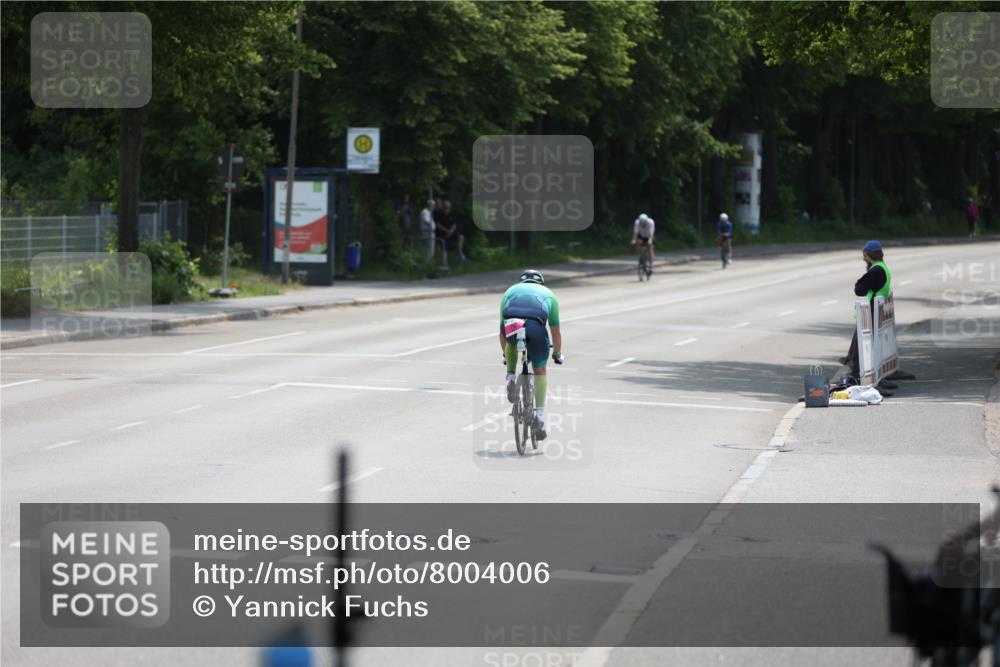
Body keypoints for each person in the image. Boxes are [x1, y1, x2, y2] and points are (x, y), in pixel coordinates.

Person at [499, 270, 563, 440]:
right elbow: (555, 332)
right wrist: (557, 354)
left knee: (511, 342)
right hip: (535, 328)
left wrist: (505, 355)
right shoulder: (549, 294)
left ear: (521, 282)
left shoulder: (510, 291)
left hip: (511, 325)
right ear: (540, 283)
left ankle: (511, 378)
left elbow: (502, 332)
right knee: (540, 370)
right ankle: (540, 418)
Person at [842, 240, 892, 382]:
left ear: (867, 255)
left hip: (871, 312)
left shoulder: (876, 270)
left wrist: (862, 283)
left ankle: (857, 373)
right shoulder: (882, 267)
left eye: (864, 256)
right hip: (874, 311)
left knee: (860, 345)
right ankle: (852, 363)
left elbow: (859, 289)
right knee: (857, 343)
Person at [434, 200, 466, 266]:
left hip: (450, 232)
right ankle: (445, 264)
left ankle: (459, 253)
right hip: (442, 234)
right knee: (443, 245)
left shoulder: (451, 214)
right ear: (443, 208)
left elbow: (454, 224)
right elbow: (438, 225)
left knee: (461, 237)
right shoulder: (439, 214)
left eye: (448, 207)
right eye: (445, 207)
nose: (447, 209)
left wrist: (451, 231)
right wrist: (447, 231)